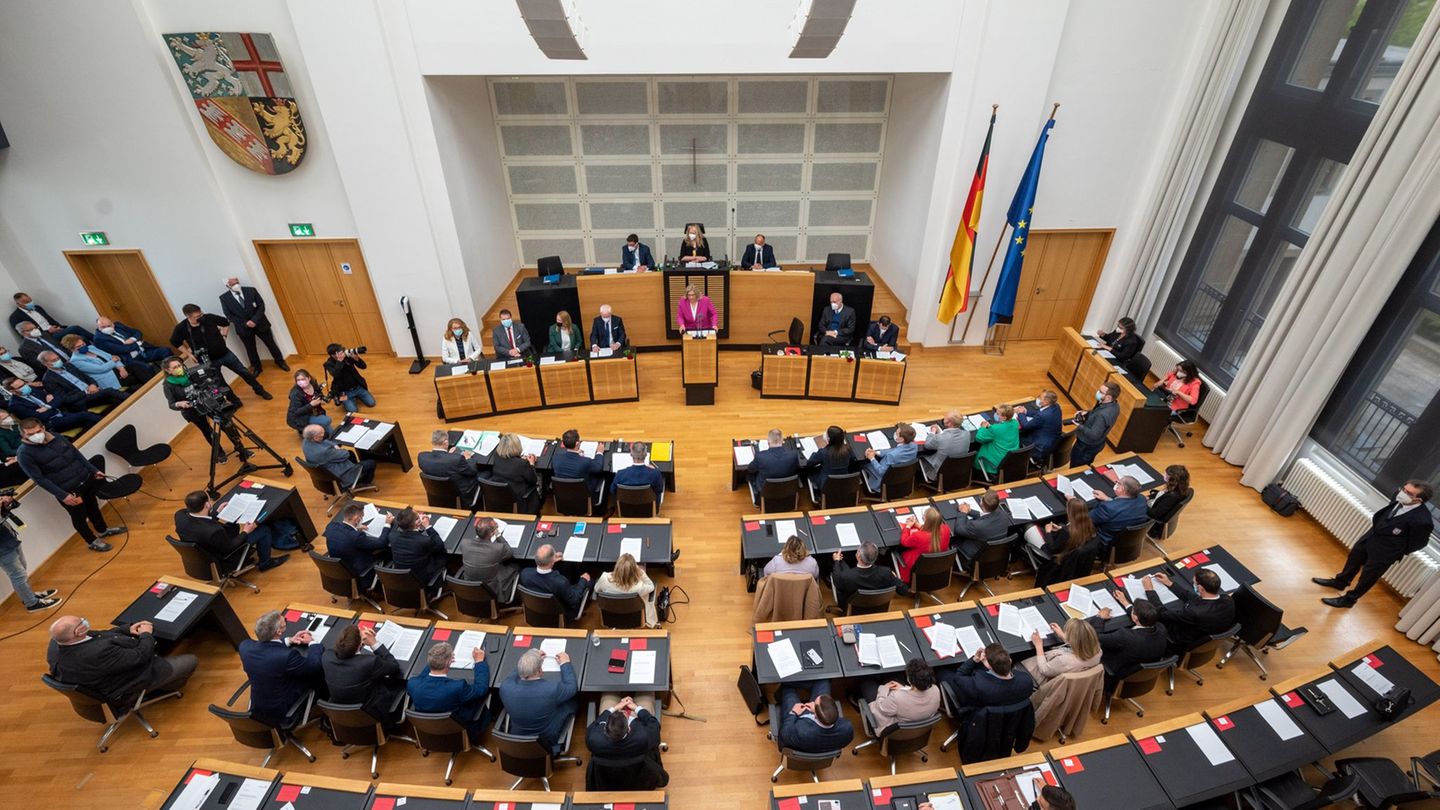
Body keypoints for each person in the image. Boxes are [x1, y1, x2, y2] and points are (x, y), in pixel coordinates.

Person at [1314, 479, 1435, 608]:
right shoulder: (1398, 496)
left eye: (1409, 493)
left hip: (1385, 552)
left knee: (1368, 577)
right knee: (1353, 560)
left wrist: (1396, 551)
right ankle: (1340, 582)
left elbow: (1420, 542)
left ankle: (1349, 600)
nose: (1402, 493)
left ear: (1418, 500)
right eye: (1403, 489)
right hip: (1370, 538)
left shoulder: (1422, 520)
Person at [17, 418, 123, 552]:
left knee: (93, 507)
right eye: (30, 434)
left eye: (38, 431)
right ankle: (92, 541)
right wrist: (62, 495)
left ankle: (103, 530)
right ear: (23, 435)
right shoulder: (24, 454)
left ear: (43, 428)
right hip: (68, 490)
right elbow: (39, 479)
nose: (36, 435)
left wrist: (93, 470)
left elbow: (77, 454)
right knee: (79, 518)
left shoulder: (57, 437)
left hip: (85, 479)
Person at [47, 615, 198, 707]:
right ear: (78, 631)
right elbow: (141, 656)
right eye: (81, 622)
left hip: (102, 678)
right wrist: (146, 634)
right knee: (190, 661)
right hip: (125, 686)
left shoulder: (57, 643)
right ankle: (163, 687)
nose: (84, 620)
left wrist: (127, 629)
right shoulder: (98, 653)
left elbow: (100, 635)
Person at [168, 304, 272, 399]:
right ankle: (234, 401)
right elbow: (175, 342)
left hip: (225, 354)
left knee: (244, 372)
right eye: (197, 316)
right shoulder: (181, 328)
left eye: (201, 314)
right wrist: (189, 354)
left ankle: (259, 390)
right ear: (188, 316)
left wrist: (224, 335)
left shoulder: (209, 317)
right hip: (207, 361)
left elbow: (226, 322)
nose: (201, 317)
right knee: (220, 383)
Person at [238, 610, 323, 727]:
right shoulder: (287, 656)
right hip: (283, 709)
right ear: (278, 631)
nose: (286, 622)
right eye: (285, 622)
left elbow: (267, 649)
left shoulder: (245, 646)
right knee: (320, 675)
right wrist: (313, 643)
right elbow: (314, 666)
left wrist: (289, 640)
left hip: (259, 704)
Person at [1118, 570, 1233, 654]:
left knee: (1147, 615)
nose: (1193, 585)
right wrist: (1169, 583)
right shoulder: (1227, 600)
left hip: (1177, 638)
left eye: (1194, 583)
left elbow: (1161, 613)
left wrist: (1149, 590)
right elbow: (1194, 598)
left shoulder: (1193, 612)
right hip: (1200, 633)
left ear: (1201, 588)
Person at [175, 489, 286, 571]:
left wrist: (216, 513)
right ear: (207, 505)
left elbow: (200, 521)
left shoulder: (180, 515)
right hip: (226, 557)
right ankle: (265, 563)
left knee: (233, 525)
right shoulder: (213, 531)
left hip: (205, 553)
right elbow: (230, 548)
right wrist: (246, 531)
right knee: (264, 530)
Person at [161, 357, 245, 459]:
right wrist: (179, 404)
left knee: (226, 424)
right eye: (174, 367)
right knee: (208, 432)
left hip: (208, 403)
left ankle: (241, 448)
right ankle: (219, 453)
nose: (179, 368)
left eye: (179, 365)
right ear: (168, 370)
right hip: (192, 411)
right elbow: (171, 404)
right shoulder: (168, 385)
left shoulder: (191, 373)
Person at [322, 624, 406, 726]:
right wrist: (374, 643)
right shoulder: (369, 662)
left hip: (341, 712)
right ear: (359, 644)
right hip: (370, 713)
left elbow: (344, 653)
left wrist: (356, 642)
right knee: (400, 683)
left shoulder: (327, 656)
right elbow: (393, 666)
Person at [499, 647, 578, 753]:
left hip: (518, 738)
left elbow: (516, 673)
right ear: (540, 671)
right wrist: (565, 663)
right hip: (545, 740)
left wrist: (529, 659)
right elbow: (571, 687)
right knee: (572, 702)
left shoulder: (505, 687)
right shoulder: (551, 689)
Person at [407, 641, 490, 740]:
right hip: (458, 729)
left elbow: (421, 678)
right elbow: (481, 688)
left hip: (428, 729)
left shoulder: (412, 683)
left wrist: (437, 660)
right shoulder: (457, 687)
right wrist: (479, 662)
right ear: (449, 662)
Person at [585, 695, 668, 789]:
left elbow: (595, 724)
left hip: (607, 780)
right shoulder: (643, 738)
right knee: (647, 696)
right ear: (629, 728)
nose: (624, 711)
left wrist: (614, 708)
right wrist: (636, 708)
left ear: (605, 727)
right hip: (638, 777)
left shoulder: (594, 740)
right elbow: (653, 724)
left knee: (608, 696)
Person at [0, 494, 61, 612]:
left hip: (9, 537)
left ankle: (28, 596)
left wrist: (6, 503)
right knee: (18, 575)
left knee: (22, 568)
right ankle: (32, 604)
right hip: (2, 548)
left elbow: (6, 512)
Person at [1085, 597, 1169, 681]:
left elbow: (1097, 637)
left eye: (1133, 610)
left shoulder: (1125, 636)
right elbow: (1143, 617)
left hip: (1121, 671)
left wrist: (1099, 617)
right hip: (1141, 671)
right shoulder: (1161, 628)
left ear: (1135, 617)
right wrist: (1126, 603)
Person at [218, 276, 289, 374]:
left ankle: (280, 361)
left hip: (260, 324)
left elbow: (261, 306)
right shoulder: (224, 298)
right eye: (233, 284)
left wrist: (254, 320)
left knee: (271, 344)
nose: (236, 285)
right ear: (228, 286)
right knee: (250, 349)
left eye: (237, 282)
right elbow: (229, 315)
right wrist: (245, 323)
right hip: (243, 328)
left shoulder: (251, 290)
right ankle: (257, 368)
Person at [939, 643, 1034, 709]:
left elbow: (959, 676)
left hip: (978, 708)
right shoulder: (1026, 681)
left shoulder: (979, 685)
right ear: (1010, 660)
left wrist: (974, 660)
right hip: (1005, 709)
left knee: (942, 671)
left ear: (988, 666)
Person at [324, 503, 392, 587]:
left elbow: (343, 534)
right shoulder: (356, 537)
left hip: (339, 568)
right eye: (362, 517)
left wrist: (355, 528)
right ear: (356, 519)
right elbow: (381, 543)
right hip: (357, 570)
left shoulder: (331, 526)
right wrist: (387, 524)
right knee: (387, 551)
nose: (362, 519)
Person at [1020, 618, 1102, 687]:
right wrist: (1063, 636)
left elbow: (1044, 670)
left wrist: (1038, 645)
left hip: (1040, 677)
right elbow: (1081, 644)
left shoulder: (1064, 661)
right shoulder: (1098, 650)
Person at [862, 658, 940, 729]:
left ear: (909, 679)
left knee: (867, 684)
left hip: (894, 729)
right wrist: (904, 688)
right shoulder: (936, 690)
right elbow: (918, 693)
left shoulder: (897, 697)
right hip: (917, 726)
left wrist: (884, 688)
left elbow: (881, 708)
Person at [776, 682, 854, 753]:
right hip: (819, 742)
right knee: (823, 681)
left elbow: (784, 734)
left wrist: (793, 713)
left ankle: (786, 685)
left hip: (800, 722)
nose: (812, 702)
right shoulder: (847, 728)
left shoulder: (801, 731)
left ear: (815, 715)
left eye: (814, 703)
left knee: (787, 689)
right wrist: (815, 709)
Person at [5, 376, 102, 432]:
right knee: (84, 415)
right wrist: (51, 405)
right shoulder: (15, 405)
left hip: (61, 413)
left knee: (89, 421)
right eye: (20, 387)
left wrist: (48, 406)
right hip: (51, 423)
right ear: (12, 391)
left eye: (24, 384)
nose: (25, 387)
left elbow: (58, 398)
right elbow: (40, 417)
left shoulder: (32, 390)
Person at [830, 542, 911, 609]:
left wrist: (836, 561)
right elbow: (904, 591)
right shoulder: (886, 572)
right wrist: (894, 577)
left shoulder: (847, 576)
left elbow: (837, 582)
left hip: (853, 607)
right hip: (878, 606)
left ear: (858, 556)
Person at [520, 544, 591, 620]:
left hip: (537, 610)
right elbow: (574, 599)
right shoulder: (560, 582)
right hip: (561, 615)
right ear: (552, 561)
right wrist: (583, 580)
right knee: (590, 582)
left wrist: (552, 559)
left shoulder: (525, 574)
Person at [39, 351, 128, 410]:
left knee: (116, 399)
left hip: (94, 391)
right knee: (110, 391)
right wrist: (86, 391)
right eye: (54, 360)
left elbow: (87, 377)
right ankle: (132, 400)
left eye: (58, 358)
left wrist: (93, 385)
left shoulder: (68, 366)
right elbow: (66, 399)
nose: (58, 361)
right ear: (46, 364)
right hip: (81, 400)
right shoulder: (48, 380)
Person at [460, 516, 520, 602]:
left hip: (470, 586)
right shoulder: (497, 549)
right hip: (491, 588)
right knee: (516, 565)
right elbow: (509, 552)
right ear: (492, 533)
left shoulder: (464, 543)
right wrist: (498, 535)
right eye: (496, 527)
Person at [418, 429, 481, 509]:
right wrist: (468, 458)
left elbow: (439, 465)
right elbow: (472, 471)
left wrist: (448, 455)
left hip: (437, 489)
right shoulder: (457, 459)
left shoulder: (422, 457)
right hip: (459, 490)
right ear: (445, 443)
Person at [389, 506, 447, 590]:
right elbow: (439, 545)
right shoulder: (423, 541)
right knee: (442, 553)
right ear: (417, 523)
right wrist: (428, 526)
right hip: (421, 578)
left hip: (402, 576)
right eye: (418, 517)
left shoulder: (392, 536)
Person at [61, 335, 149, 390]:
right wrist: (113, 361)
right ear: (72, 349)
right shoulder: (76, 360)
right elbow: (101, 369)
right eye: (78, 347)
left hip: (117, 369)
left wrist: (121, 368)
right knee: (136, 378)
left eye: (83, 344)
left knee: (138, 366)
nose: (83, 346)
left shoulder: (91, 348)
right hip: (109, 378)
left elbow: (111, 356)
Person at [302, 423, 376, 488]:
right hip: (339, 475)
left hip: (326, 468)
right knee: (370, 463)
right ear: (315, 437)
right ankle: (363, 483)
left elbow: (324, 441)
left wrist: (334, 445)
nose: (324, 434)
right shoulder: (324, 451)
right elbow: (345, 454)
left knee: (351, 453)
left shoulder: (306, 441)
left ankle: (357, 471)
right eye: (322, 433)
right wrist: (337, 448)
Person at [594, 552, 657, 627]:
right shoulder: (638, 587)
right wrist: (641, 572)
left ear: (617, 567)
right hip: (634, 620)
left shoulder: (604, 578)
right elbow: (651, 586)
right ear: (634, 571)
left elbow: (597, 590)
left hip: (611, 618)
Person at [950, 490, 1011, 567]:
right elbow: (985, 516)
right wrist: (969, 511)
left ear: (981, 502)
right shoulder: (1004, 515)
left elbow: (959, 529)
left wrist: (963, 512)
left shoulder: (977, 526)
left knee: (952, 539)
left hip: (975, 555)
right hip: (994, 553)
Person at [1026, 496, 1097, 561]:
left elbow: (1051, 548)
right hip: (1070, 551)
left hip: (1054, 556)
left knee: (1028, 525)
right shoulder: (1089, 525)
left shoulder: (1066, 532)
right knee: (1059, 524)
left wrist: (1048, 532)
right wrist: (1060, 528)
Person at [1069, 382, 1119, 467]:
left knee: (1076, 467)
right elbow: (1097, 412)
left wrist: (1079, 425)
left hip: (1085, 447)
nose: (1098, 392)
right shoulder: (1114, 405)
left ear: (1109, 397)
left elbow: (1094, 435)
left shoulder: (1102, 415)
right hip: (1096, 444)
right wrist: (1087, 412)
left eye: (1101, 392)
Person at [1088, 475, 1148, 546]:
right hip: (1127, 538)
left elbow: (1087, 519)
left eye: (1118, 483)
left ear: (1122, 489)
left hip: (1105, 540)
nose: (1116, 484)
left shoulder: (1108, 508)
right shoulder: (1142, 499)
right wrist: (1107, 499)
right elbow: (1123, 506)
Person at [748, 428, 801, 506]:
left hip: (766, 492)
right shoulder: (793, 455)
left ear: (768, 442)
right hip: (788, 491)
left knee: (750, 475)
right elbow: (797, 468)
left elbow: (750, 469)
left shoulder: (760, 456)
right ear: (782, 441)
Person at [552, 428, 605, 505]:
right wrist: (599, 452)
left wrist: (578, 455)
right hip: (584, 495)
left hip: (564, 494)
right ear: (577, 444)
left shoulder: (556, 458)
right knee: (604, 476)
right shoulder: (585, 461)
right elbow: (598, 468)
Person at [897, 507, 950, 582]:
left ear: (926, 521)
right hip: (935, 565)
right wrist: (918, 525)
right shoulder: (946, 529)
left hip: (916, 566)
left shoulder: (918, 536)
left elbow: (904, 542)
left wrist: (908, 526)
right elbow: (932, 529)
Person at [863, 422, 918, 494]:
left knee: (863, 464)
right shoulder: (914, 446)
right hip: (902, 476)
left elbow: (880, 471)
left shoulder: (891, 456)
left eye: (897, 433)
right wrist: (877, 452)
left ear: (901, 439)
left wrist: (872, 458)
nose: (895, 434)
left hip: (885, 480)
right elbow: (897, 449)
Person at [492, 432, 541, 513]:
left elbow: (509, 462)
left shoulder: (496, 456)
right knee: (540, 477)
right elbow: (533, 480)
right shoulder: (522, 464)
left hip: (501, 494)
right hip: (518, 498)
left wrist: (519, 458)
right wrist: (531, 464)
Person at [804, 425, 860, 495]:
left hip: (826, 485)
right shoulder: (848, 449)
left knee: (809, 472)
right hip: (844, 482)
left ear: (829, 439)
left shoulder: (823, 452)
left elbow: (809, 463)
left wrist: (818, 451)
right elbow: (853, 458)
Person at [10, 293, 90, 341]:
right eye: (26, 302)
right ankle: (96, 340)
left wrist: (59, 327)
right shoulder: (15, 317)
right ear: (18, 304)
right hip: (45, 336)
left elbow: (50, 320)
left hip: (55, 329)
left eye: (30, 300)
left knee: (81, 337)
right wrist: (48, 331)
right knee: (75, 328)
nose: (30, 302)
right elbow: (25, 335)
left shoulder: (37, 307)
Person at [973, 403, 1020, 480]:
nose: (996, 415)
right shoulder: (1015, 423)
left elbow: (979, 438)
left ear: (1004, 417)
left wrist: (983, 428)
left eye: (998, 414)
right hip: (1009, 460)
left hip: (995, 463)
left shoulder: (995, 429)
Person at [1014, 390, 1064, 463]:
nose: (1038, 398)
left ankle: (1029, 458)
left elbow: (1026, 426)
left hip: (1039, 446)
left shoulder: (1043, 415)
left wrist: (1021, 413)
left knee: (1016, 435)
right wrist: (1026, 412)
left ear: (1046, 401)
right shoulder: (1056, 406)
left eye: (1040, 397)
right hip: (1051, 440)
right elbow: (1039, 412)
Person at [94, 316, 170, 364]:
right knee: (146, 368)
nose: (107, 328)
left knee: (166, 351)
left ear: (112, 324)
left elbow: (137, 332)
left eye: (109, 325)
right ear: (98, 327)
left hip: (143, 350)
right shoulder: (99, 339)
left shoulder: (118, 325)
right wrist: (138, 343)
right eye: (103, 327)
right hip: (130, 359)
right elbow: (121, 349)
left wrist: (132, 339)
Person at [322, 344, 373, 413]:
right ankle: (347, 400)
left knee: (372, 403)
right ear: (333, 355)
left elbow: (364, 367)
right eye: (339, 352)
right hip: (344, 392)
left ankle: (356, 396)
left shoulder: (347, 356)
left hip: (357, 387)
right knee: (353, 411)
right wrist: (339, 361)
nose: (342, 353)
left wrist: (357, 359)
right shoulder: (329, 363)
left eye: (342, 351)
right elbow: (336, 374)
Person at [1147, 464, 1192, 539]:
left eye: (1166, 474)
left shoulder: (1171, 497)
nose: (1163, 474)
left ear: (1172, 479)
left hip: (1154, 516)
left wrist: (1141, 505)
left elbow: (1155, 514)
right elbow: (1162, 494)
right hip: (1156, 505)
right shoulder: (1179, 488)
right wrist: (1149, 497)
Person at [286, 368, 333, 434]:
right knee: (326, 420)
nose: (301, 382)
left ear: (309, 378)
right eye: (298, 380)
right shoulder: (295, 394)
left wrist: (321, 399)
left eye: (303, 379)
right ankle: (305, 430)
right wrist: (311, 405)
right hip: (303, 416)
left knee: (331, 433)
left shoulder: (313, 383)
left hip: (315, 410)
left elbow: (318, 392)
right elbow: (296, 412)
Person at [0, 410, 28, 486]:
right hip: (18, 453)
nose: (8, 419)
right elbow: (8, 451)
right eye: (4, 418)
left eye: (8, 416)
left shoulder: (15, 426)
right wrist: (25, 450)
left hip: (27, 447)